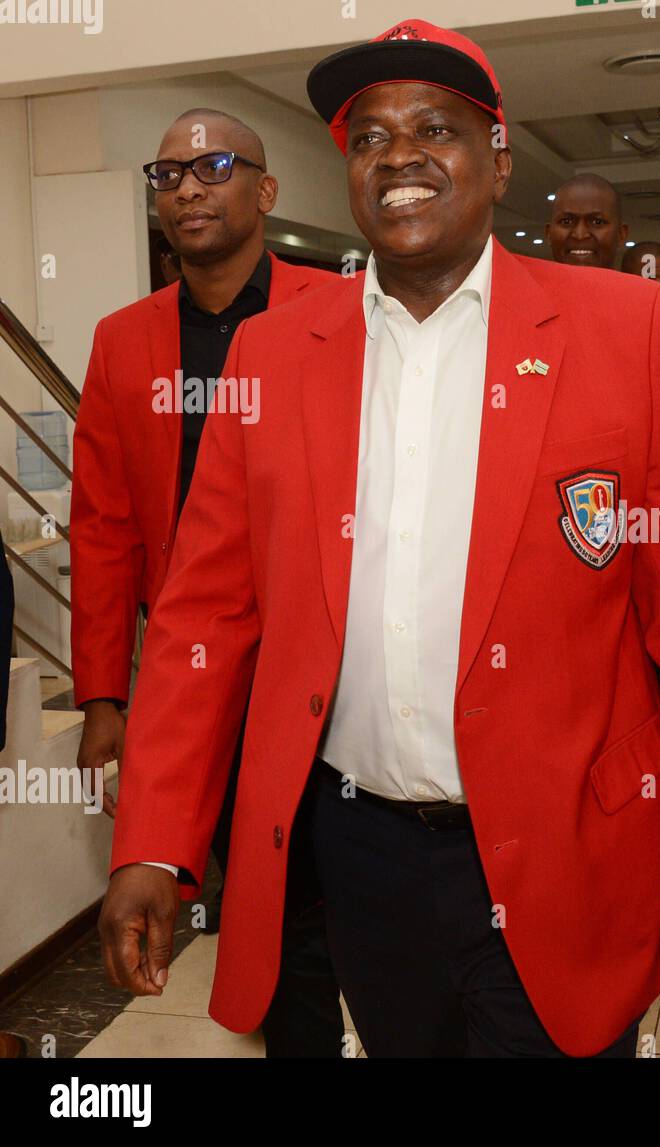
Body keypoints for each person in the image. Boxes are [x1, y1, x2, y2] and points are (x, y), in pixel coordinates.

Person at [97, 19, 660, 1060]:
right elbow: (204, 615)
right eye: (369, 137)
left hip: (568, 845)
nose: (399, 154)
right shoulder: (273, 353)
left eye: (436, 128)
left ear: (499, 157)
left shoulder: (624, 327)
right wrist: (153, 839)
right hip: (362, 854)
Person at [72, 109, 343, 1057]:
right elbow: (102, 525)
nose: (188, 186)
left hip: (327, 655)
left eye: (214, 165)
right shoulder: (123, 341)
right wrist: (106, 693)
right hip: (200, 669)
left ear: (264, 192)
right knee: (260, 886)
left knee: (332, 871)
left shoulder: (339, 309)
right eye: (169, 171)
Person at [546, 173, 627, 269]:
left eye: (597, 222)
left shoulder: (640, 284)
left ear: (621, 234)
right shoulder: (524, 284)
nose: (580, 235)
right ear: (548, 233)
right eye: (566, 221)